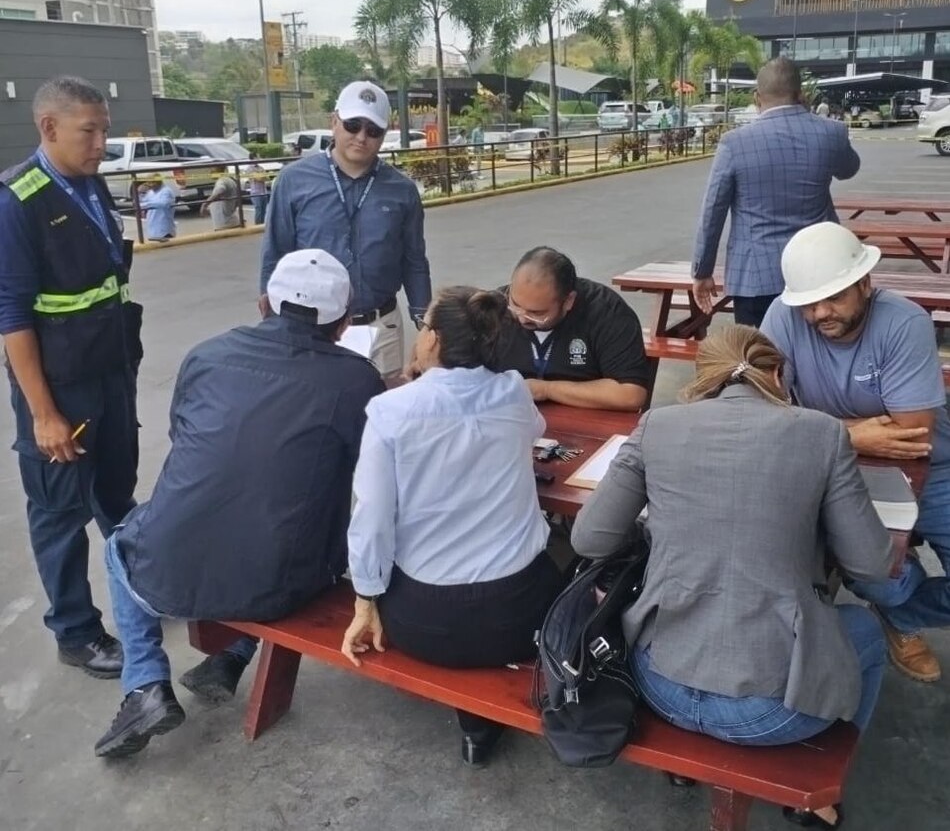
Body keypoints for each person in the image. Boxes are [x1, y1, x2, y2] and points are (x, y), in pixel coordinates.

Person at [573, 325, 892, 831]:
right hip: (776, 714)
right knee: (868, 631)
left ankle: (683, 768)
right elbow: (873, 565)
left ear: (702, 382)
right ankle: (813, 793)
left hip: (659, 685)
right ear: (779, 375)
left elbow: (589, 540)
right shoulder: (822, 432)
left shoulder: (657, 426)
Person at [94, 250, 384, 758]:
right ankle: (232, 652)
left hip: (170, 558)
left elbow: (183, 433)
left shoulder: (207, 354)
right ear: (342, 324)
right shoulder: (356, 379)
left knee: (121, 547)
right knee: (291, 523)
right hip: (284, 582)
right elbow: (375, 474)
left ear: (263, 304)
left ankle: (146, 684)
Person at [341, 286, 563, 766]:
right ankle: (482, 721)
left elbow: (371, 518)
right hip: (520, 615)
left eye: (423, 328)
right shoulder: (511, 390)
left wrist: (365, 600)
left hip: (424, 621)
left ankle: (477, 724)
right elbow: (537, 430)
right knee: (565, 549)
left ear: (434, 341)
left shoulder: (390, 411)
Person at [761, 221, 950, 684]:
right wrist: (851, 435)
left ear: (864, 283)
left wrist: (808, 425)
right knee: (870, 570)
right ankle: (896, 606)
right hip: (835, 471)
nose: (820, 313)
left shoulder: (903, 322)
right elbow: (759, 410)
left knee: (876, 569)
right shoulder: (782, 317)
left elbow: (912, 434)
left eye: (835, 298)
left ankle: (901, 613)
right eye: (809, 304)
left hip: (932, 469)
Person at [0, 75, 142, 678]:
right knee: (60, 513)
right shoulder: (16, 202)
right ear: (49, 128)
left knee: (116, 495)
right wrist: (43, 414)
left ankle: (141, 591)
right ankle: (76, 630)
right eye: (91, 131)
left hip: (111, 369)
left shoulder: (89, 184)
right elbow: (11, 317)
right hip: (62, 387)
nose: (102, 143)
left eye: (105, 129)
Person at [260, 80, 432, 380]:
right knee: (318, 412)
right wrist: (272, 318)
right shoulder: (293, 181)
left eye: (373, 130)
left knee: (380, 414)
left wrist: (426, 323)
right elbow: (277, 251)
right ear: (334, 122)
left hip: (382, 328)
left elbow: (414, 260)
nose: (361, 137)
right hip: (314, 329)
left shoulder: (402, 190)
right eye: (353, 125)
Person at [692, 57, 861, 328]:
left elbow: (713, 211)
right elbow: (849, 169)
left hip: (755, 278)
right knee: (820, 359)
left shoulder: (735, 143)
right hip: (821, 271)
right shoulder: (832, 133)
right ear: (801, 95)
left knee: (759, 360)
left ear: (757, 97)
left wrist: (703, 271)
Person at [491, 246, 650, 411]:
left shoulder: (607, 312)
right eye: (515, 305)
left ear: (568, 301)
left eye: (536, 313)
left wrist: (546, 389)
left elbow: (631, 394)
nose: (522, 318)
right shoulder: (492, 309)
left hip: (589, 419)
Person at [136, 174, 176, 242]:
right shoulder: (151, 192)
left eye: (151, 183)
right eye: (148, 183)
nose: (149, 185)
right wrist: (140, 193)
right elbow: (141, 201)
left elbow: (163, 204)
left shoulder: (166, 191)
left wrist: (145, 205)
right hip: (153, 228)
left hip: (164, 229)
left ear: (158, 182)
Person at [201, 166, 241, 230]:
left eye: (212, 170)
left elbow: (220, 190)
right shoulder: (229, 180)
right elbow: (237, 202)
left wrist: (205, 204)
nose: (210, 172)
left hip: (225, 225)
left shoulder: (222, 180)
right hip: (229, 222)